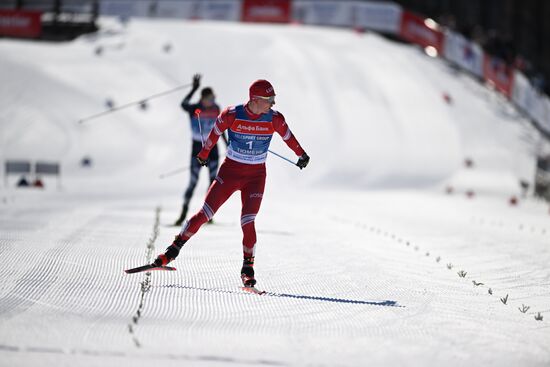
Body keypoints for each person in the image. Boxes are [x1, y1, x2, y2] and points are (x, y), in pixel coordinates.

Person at [154, 79, 310, 287]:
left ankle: (248, 269)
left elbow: (288, 137)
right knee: (205, 214)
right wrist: (204, 153)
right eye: (269, 99)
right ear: (255, 99)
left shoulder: (275, 119)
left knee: (248, 221)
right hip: (230, 172)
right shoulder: (232, 114)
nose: (273, 103)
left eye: (273, 99)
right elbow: (216, 132)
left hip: (255, 177)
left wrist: (301, 155)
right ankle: (172, 250)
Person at [174, 74, 228, 226]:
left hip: (213, 150)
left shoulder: (216, 108)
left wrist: (227, 144)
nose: (212, 102)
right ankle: (182, 214)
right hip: (197, 151)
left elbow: (221, 128)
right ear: (203, 98)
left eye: (213, 98)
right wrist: (193, 89)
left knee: (212, 184)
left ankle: (208, 216)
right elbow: (183, 104)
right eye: (209, 99)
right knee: (193, 183)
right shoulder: (195, 108)